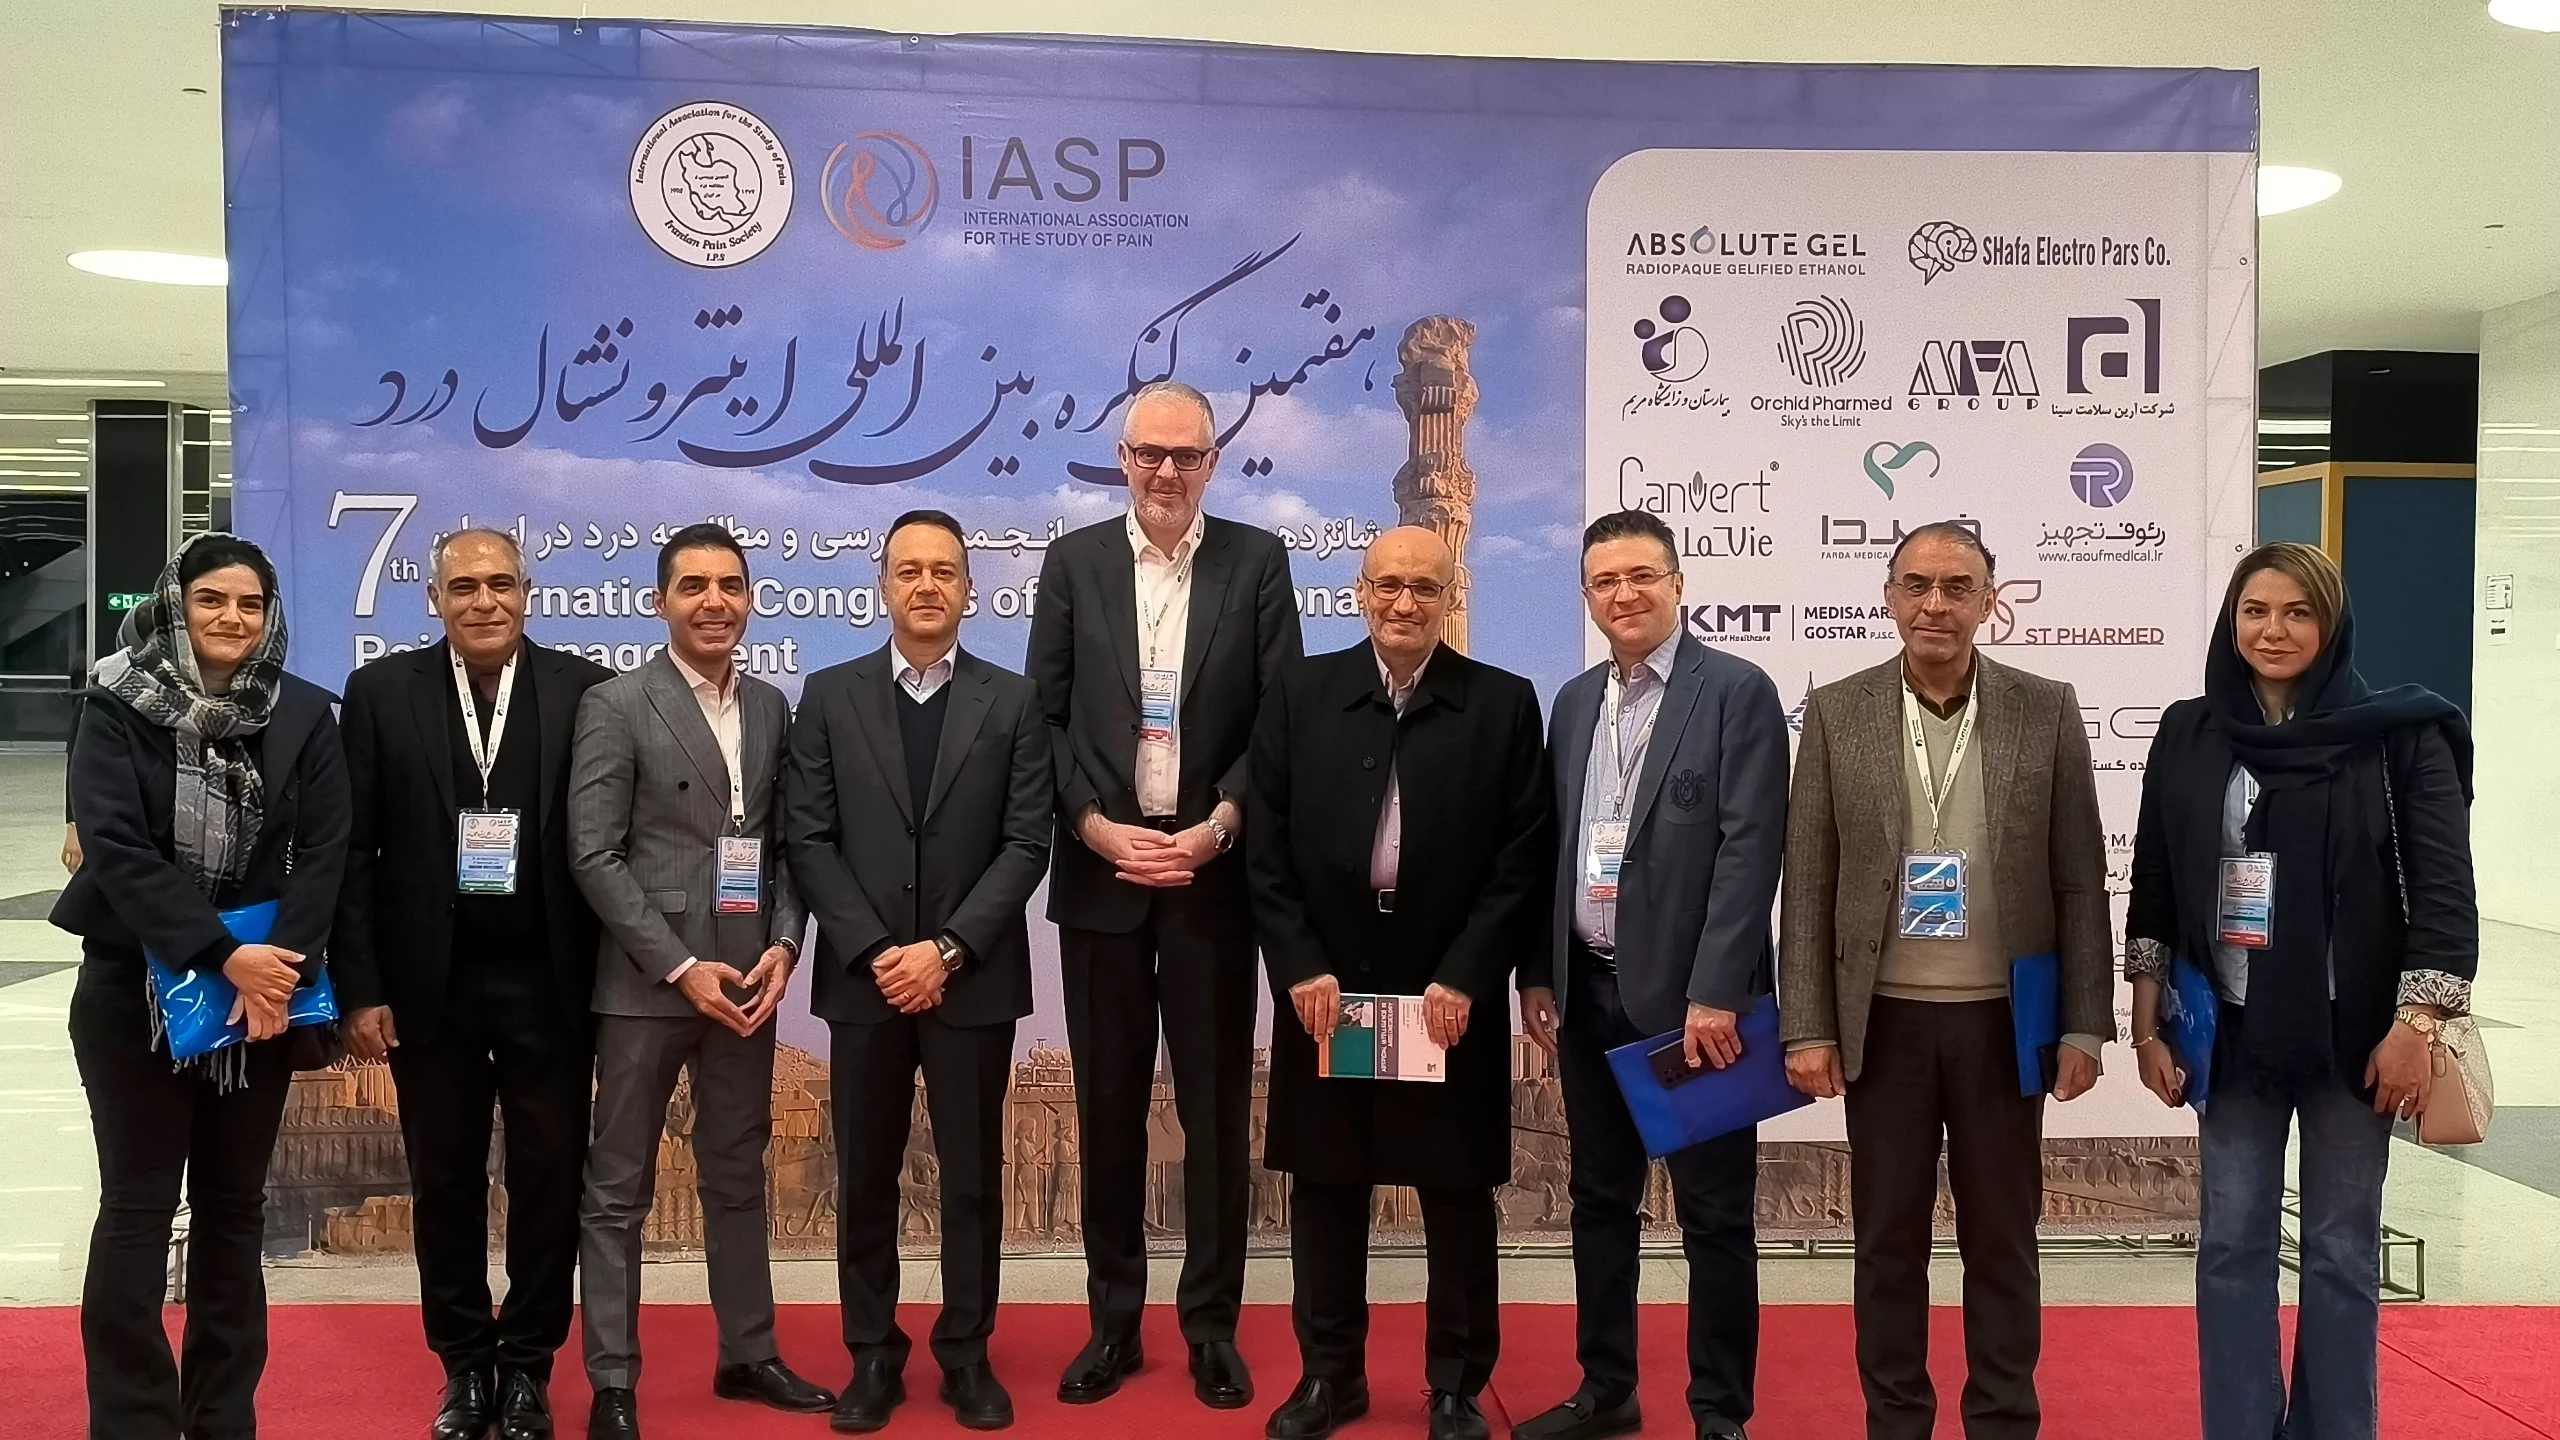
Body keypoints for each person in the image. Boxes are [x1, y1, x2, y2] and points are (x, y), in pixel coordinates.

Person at [2124, 542, 2474, 1440]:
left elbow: (2443, 892)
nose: (2273, 630)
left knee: (2341, 1251)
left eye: (2297, 612)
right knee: (2230, 1246)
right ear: (2231, 622)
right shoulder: (2191, 730)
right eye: (2255, 611)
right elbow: (2156, 876)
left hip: (2356, 1038)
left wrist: (2415, 1026)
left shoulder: (2399, 733)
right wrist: (2147, 1019)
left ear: (2332, 622)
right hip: (2233, 1033)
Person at [1778, 521, 2113, 1440]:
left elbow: (2080, 876)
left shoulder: (2045, 708)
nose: (1936, 604)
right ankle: (1897, 1423)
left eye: (1958, 587)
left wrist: (2085, 1023)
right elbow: (1807, 880)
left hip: (2005, 1022)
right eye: (1917, 585)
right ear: (1889, 598)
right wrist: (1808, 1023)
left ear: (1989, 602)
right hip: (1882, 1022)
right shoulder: (1837, 710)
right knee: (1887, 1243)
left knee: (2002, 1240)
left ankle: (2002, 1420)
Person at [1026, 380, 1302, 1410]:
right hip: (1102, 878)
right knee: (1106, 1109)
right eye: (1150, 453)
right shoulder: (1073, 564)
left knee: (1215, 1113)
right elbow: (1044, 719)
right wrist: (1095, 828)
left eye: (1187, 455)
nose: (1167, 471)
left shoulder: (1257, 562)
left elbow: (1278, 718)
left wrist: (1219, 826)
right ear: (1123, 459)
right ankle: (1112, 1326)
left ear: (1213, 463)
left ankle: (1211, 1328)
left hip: (1210, 879)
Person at [1247, 527, 1553, 1440]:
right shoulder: (1300, 694)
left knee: (1456, 1193)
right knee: (1327, 1186)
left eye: (1424, 587)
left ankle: (1455, 1385)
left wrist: (1468, 975)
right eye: (1388, 585)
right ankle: (1329, 1377)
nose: (1404, 603)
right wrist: (1299, 963)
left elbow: (1522, 858)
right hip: (1328, 988)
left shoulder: (1502, 704)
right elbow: (1265, 849)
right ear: (1359, 591)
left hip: (1444, 993)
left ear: (1449, 594)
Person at [53, 533, 350, 1440]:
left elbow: (327, 852)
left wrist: (275, 972)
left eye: (250, 603)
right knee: (138, 1209)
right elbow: (114, 846)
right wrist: (224, 955)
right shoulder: (116, 703)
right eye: (211, 600)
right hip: (133, 992)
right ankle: (134, 1421)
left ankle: (222, 1417)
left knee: (233, 1211)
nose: (232, 618)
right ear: (175, 606)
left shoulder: (305, 713)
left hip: (263, 1003)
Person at [333, 527, 614, 1440]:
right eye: (464, 587)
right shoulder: (381, 693)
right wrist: (360, 988)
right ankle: (463, 1365)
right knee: (444, 1182)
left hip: (551, 983)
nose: (484, 601)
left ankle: (527, 1365)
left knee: (549, 1181)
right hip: (430, 988)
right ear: (435, 599)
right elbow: (353, 853)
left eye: (500, 584)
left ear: (527, 593)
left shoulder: (585, 690)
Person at [1514, 510, 1788, 1440]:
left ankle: (1720, 1412)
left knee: (1714, 1216)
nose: (1623, 594)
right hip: (1587, 994)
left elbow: (1750, 850)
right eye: (1604, 581)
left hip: (1694, 1010)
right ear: (1587, 596)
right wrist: (1539, 973)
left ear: (1677, 584)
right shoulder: (1573, 703)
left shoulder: (1736, 691)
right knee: (1599, 1201)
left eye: (1640, 576)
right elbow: (1553, 847)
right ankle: (1607, 1390)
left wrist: (1717, 991)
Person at [784, 510, 1053, 1433]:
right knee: (864, 1174)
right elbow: (809, 839)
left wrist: (945, 949)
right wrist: (876, 951)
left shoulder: (1012, 702)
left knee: (973, 1177)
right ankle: (872, 1354)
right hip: (864, 982)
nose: (927, 585)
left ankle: (967, 1353)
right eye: (910, 570)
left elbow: (1026, 842)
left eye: (945, 570)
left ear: (969, 590)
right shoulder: (828, 696)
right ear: (883, 586)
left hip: (971, 980)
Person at [568, 524, 832, 1439]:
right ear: (660, 602)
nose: (714, 602)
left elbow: (788, 844)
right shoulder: (616, 704)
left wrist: (786, 944)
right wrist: (680, 967)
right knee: (617, 1190)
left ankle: (749, 1353)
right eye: (693, 586)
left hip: (747, 981)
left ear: (749, 599)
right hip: (649, 986)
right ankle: (612, 1381)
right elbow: (593, 854)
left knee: (737, 1174)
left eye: (730, 585)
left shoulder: (771, 706)